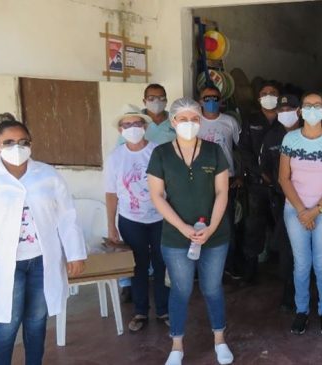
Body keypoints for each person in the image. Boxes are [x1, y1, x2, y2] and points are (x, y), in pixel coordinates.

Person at [0, 113, 87, 365]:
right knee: (5, 327)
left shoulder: (48, 175)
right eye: (9, 142)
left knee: (36, 323)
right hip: (2, 266)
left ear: (31, 144)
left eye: (23, 142)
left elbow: (67, 215)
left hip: (41, 262)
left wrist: (76, 253)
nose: (17, 148)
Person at [147, 98, 233, 365]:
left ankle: (220, 340)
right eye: (183, 119)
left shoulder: (213, 151)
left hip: (214, 236)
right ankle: (177, 346)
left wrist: (212, 228)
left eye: (194, 119)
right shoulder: (160, 154)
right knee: (181, 290)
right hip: (175, 237)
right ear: (173, 122)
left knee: (212, 288)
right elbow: (157, 196)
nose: (189, 124)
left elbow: (222, 191)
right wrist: (183, 228)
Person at [279, 91, 322, 335]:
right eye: (308, 105)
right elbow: (283, 178)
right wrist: (302, 212)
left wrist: (315, 211)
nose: (313, 109)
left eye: (318, 105)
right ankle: (302, 311)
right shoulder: (290, 140)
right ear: (301, 111)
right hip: (295, 210)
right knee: (301, 264)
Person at [104, 104, 168, 332]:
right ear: (120, 130)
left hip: (161, 218)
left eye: (137, 124)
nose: (132, 128)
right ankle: (141, 311)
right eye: (127, 125)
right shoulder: (115, 157)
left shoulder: (159, 151)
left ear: (145, 126)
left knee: (162, 264)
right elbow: (111, 193)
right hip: (131, 220)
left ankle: (163, 310)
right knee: (138, 266)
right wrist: (111, 225)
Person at [259, 94, 301, 311]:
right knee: (287, 247)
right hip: (282, 199)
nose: (285, 113)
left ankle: (309, 291)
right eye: (281, 109)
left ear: (299, 111)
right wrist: (277, 187)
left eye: (289, 109)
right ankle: (289, 291)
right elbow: (264, 167)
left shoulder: (310, 134)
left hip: (309, 200)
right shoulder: (272, 136)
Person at [197, 85, 243, 280]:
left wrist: (241, 175)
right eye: (207, 98)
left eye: (215, 98)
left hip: (227, 179)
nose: (211, 101)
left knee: (226, 225)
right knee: (200, 223)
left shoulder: (230, 122)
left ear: (221, 100)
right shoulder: (194, 122)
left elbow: (241, 150)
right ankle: (200, 269)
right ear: (200, 101)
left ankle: (228, 266)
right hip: (200, 180)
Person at [238, 81, 280, 285]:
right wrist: (260, 172)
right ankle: (250, 269)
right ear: (258, 98)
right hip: (257, 184)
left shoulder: (287, 120)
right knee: (254, 226)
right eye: (265, 93)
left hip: (283, 185)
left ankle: (284, 269)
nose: (269, 96)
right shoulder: (251, 120)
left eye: (273, 93)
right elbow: (244, 151)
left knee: (283, 226)